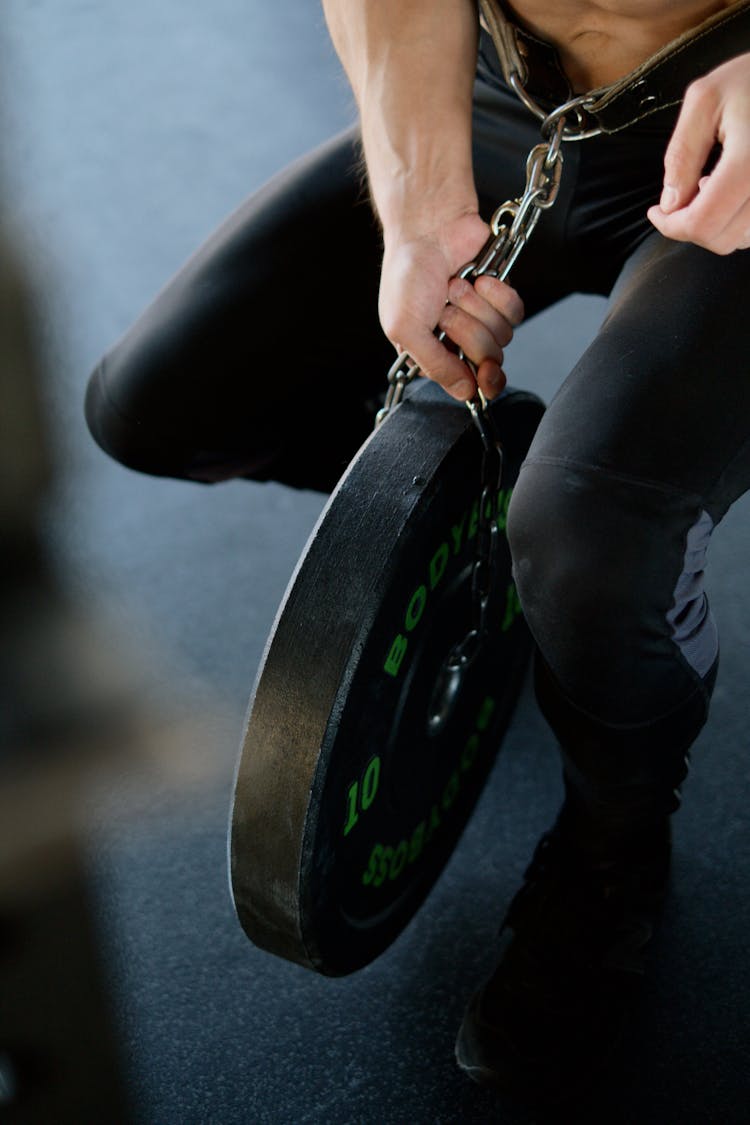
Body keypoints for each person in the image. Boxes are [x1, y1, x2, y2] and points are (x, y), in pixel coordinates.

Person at [85, 0, 750, 1105]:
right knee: (158, 405)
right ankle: (499, 552)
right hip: (518, 94)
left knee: (589, 533)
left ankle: (615, 847)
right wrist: (418, 205)